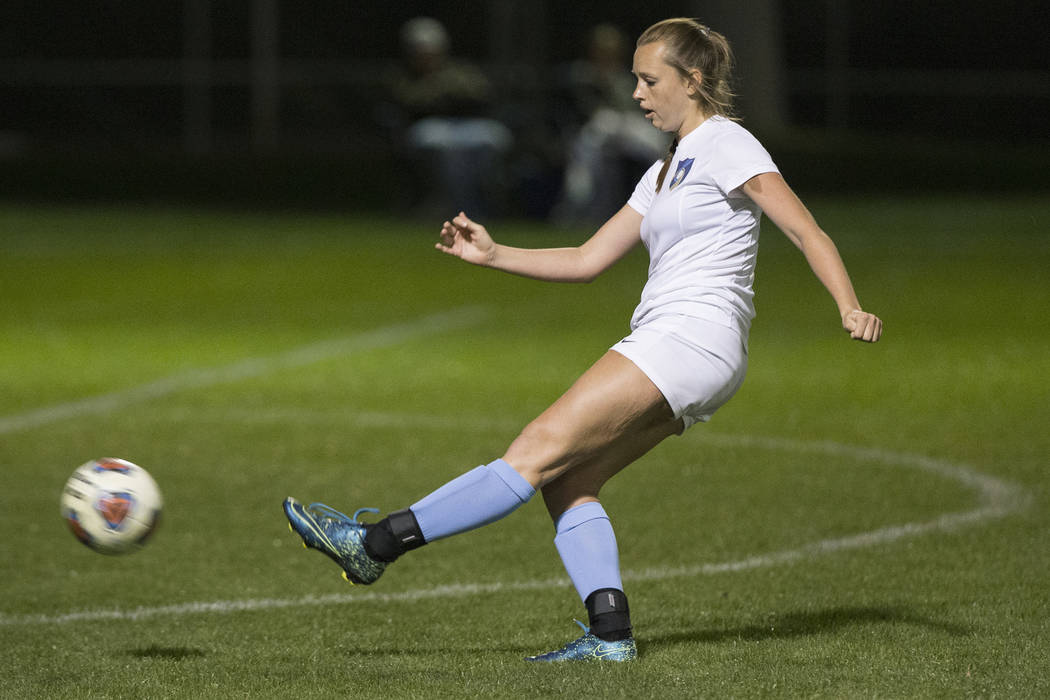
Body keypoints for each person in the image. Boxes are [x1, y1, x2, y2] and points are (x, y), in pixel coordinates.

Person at [284, 17, 883, 663]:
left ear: (695, 79)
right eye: (635, 79)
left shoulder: (726, 143)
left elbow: (805, 230)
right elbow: (587, 258)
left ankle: (373, 546)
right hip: (693, 349)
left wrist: (849, 306)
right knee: (566, 481)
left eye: (650, 80)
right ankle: (609, 636)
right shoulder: (660, 174)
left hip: (688, 338)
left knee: (535, 450)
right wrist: (493, 255)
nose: (636, 93)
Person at [382, 17, 513, 217]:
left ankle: (486, 197)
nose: (427, 56)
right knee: (444, 147)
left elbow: (483, 96)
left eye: (431, 50)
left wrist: (454, 96)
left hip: (465, 125)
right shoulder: (401, 76)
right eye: (421, 51)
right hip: (430, 128)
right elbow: (409, 104)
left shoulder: (459, 71)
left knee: (492, 138)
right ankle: (456, 204)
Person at [553, 23, 668, 224]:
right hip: (596, 127)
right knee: (587, 153)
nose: (607, 54)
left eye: (612, 50)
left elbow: (636, 108)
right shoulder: (582, 73)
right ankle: (574, 207)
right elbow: (579, 107)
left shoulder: (626, 76)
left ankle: (665, 199)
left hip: (626, 125)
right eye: (602, 49)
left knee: (659, 144)